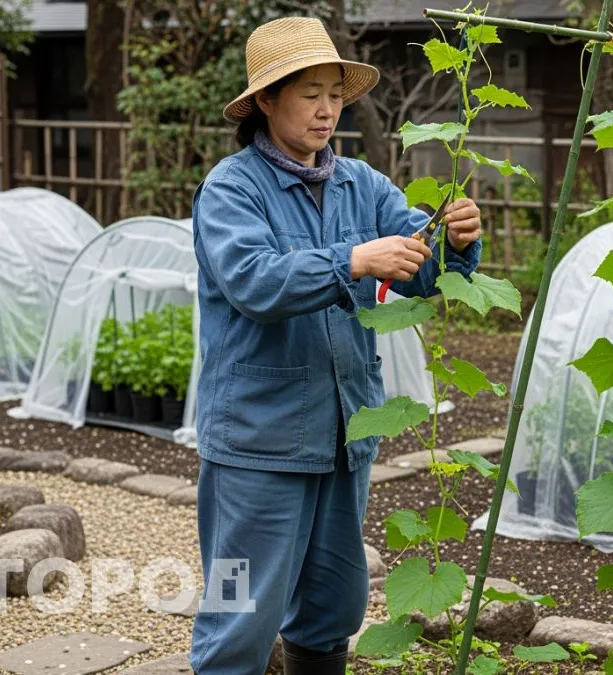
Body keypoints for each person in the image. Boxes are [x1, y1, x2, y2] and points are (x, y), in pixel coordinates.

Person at [189, 16, 483, 675]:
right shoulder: (232, 189)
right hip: (257, 442)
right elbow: (253, 281)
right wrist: (351, 259)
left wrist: (455, 240)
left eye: (334, 94)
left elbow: (421, 270)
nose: (327, 110)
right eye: (308, 94)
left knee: (333, 603)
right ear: (266, 100)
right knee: (237, 611)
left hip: (343, 433)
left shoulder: (361, 184)